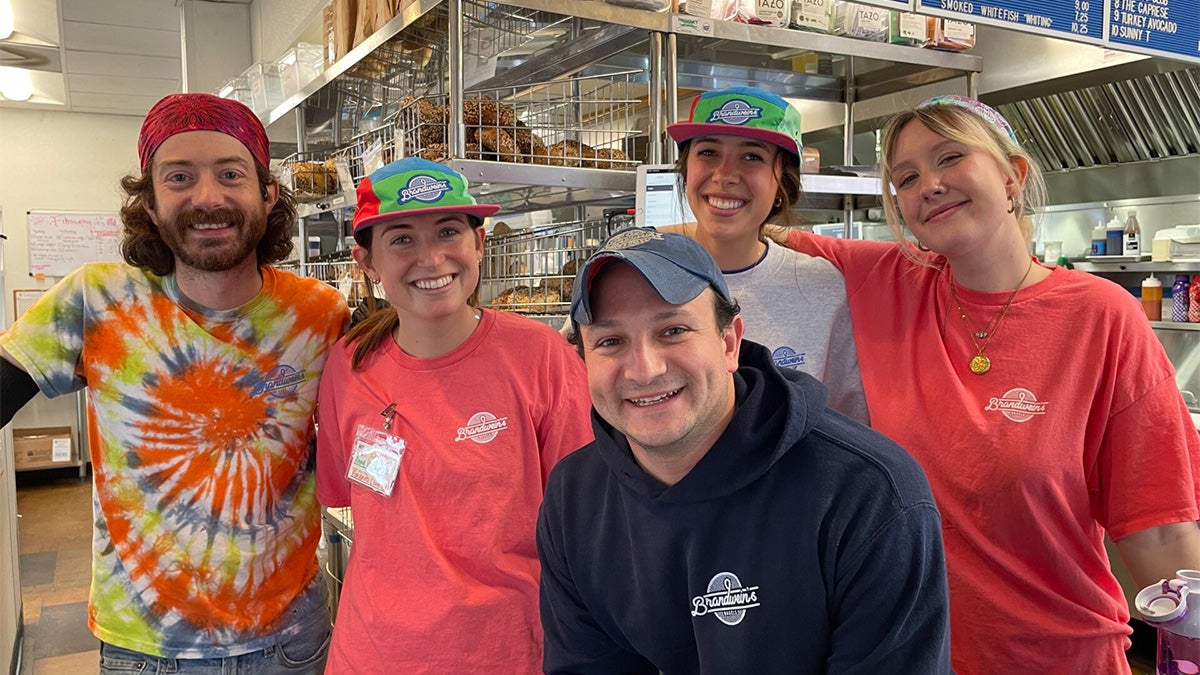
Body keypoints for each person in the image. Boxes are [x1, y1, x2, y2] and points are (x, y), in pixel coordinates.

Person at [775, 95, 1200, 673]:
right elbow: (749, 233)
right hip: (915, 656)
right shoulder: (891, 281)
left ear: (1012, 177)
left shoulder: (1101, 317)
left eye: (950, 157)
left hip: (1061, 656)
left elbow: (1158, 528)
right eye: (907, 177)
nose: (929, 184)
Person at [0, 93, 348, 672]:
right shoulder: (98, 299)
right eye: (179, 177)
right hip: (146, 649)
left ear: (267, 194)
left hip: (290, 642)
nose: (207, 197)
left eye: (230, 174)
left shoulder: (322, 314)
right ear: (153, 204)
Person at [537, 227, 951, 673]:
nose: (644, 370)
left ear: (730, 342)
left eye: (673, 330)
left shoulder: (870, 494)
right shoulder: (573, 499)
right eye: (610, 342)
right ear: (583, 361)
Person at [315, 157, 593, 674]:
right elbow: (342, 493)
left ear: (479, 244)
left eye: (448, 231)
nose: (431, 257)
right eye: (401, 239)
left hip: (508, 653)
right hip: (372, 654)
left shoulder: (540, 357)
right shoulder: (348, 364)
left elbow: (586, 519)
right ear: (366, 262)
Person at [664, 86, 868, 423]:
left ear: (781, 185)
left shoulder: (821, 287)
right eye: (708, 152)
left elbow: (846, 425)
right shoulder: (635, 278)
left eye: (752, 156)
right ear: (686, 171)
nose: (725, 175)